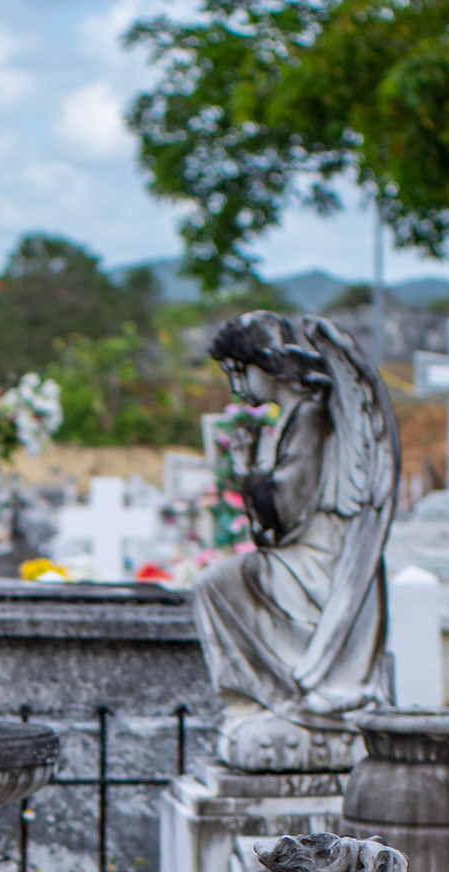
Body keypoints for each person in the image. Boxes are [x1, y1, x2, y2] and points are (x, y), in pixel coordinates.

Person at [191, 311, 400, 769]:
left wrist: (247, 472)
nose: (235, 387)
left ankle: (282, 699)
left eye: (237, 371)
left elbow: (286, 508)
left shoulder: (310, 415)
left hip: (319, 559)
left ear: (264, 364)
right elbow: (272, 524)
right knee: (215, 583)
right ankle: (265, 700)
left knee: (215, 583)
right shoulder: (290, 415)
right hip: (296, 553)